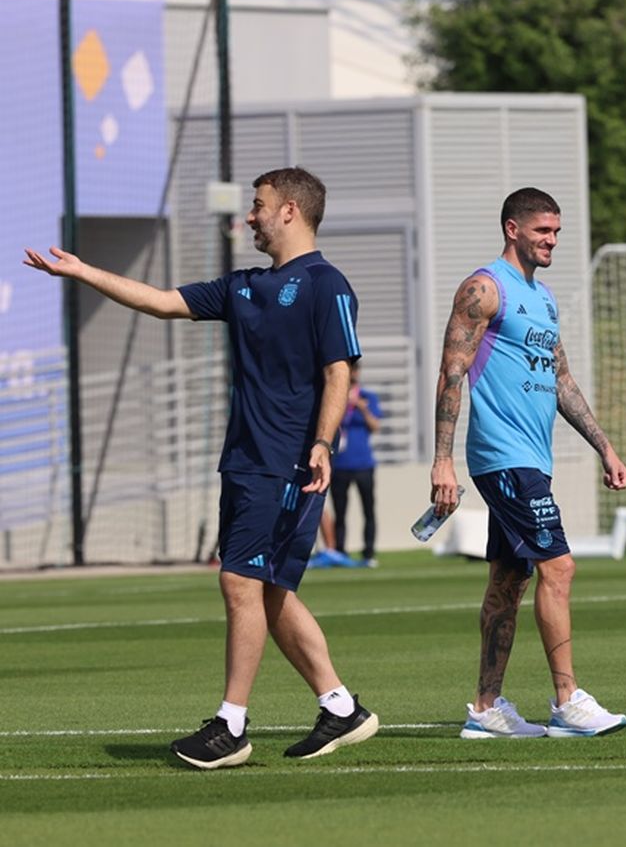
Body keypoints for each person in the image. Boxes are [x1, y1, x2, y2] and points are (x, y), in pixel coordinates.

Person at [24, 167, 379, 769]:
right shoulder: (243, 286)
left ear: (290, 211)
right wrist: (83, 272)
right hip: (243, 460)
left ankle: (230, 725)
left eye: (258, 205)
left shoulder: (327, 284)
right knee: (266, 589)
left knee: (240, 580)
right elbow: (163, 302)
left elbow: (338, 371)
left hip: (287, 462)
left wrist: (322, 443)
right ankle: (340, 706)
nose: (249, 216)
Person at [427, 187, 626, 739]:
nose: (552, 241)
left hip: (531, 458)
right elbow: (451, 371)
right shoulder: (484, 288)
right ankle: (567, 700)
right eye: (544, 230)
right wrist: (442, 461)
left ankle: (486, 708)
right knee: (558, 568)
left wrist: (604, 446)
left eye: (558, 232)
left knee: (508, 580)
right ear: (513, 229)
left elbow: (561, 380)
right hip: (502, 455)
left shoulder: (542, 300)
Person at [331, 362, 382, 566]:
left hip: (363, 464)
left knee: (368, 509)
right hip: (339, 464)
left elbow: (375, 426)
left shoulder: (368, 398)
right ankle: (340, 551)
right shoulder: (334, 398)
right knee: (340, 511)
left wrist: (361, 408)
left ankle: (368, 552)